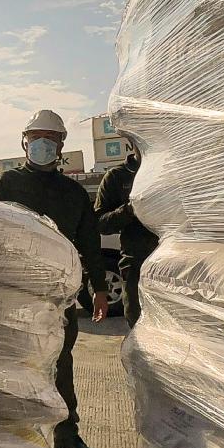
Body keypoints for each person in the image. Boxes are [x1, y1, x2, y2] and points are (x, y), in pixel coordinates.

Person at [0, 109, 109, 448]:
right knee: (9, 363)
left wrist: (99, 288)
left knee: (60, 363)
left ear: (61, 146)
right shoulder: (5, 184)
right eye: (35, 138)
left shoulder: (73, 193)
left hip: (58, 296)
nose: (41, 145)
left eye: (49, 139)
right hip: (13, 290)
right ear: (24, 142)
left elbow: (89, 242)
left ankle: (67, 436)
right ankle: (10, 437)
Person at [94, 134, 159, 328]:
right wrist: (129, 209)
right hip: (137, 267)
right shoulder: (117, 177)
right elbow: (101, 224)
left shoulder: (171, 173)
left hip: (176, 266)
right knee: (140, 328)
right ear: (131, 142)